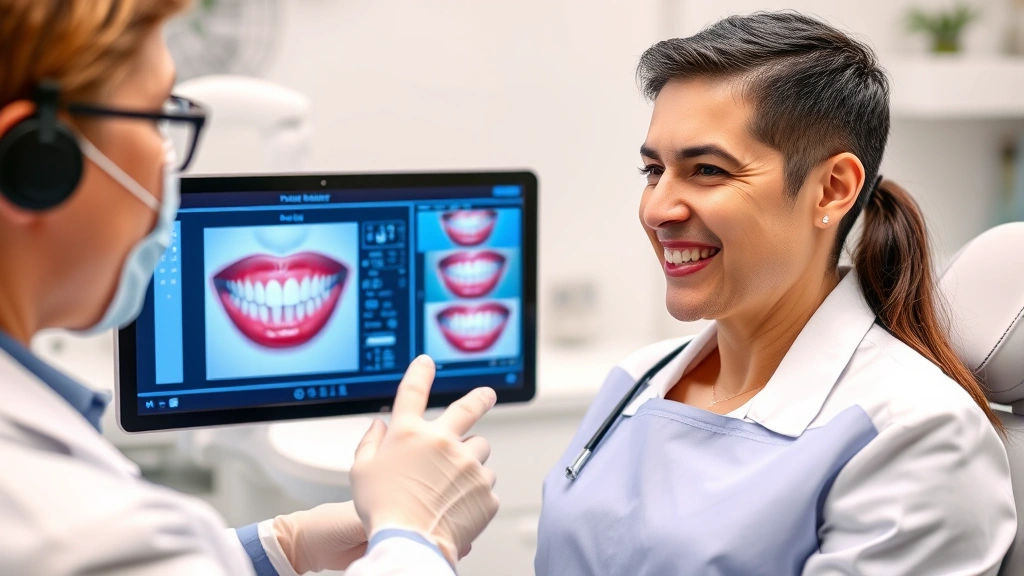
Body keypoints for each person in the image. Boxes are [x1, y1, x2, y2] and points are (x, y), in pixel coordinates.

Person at [0, 1, 498, 575]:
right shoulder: (59, 529)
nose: (168, 165)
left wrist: (273, 550)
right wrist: (415, 540)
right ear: (37, 164)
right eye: (157, 118)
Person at [536, 11, 1017, 575]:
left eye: (708, 170)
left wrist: (412, 551)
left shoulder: (916, 435)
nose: (657, 209)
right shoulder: (639, 379)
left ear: (832, 190)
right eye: (653, 170)